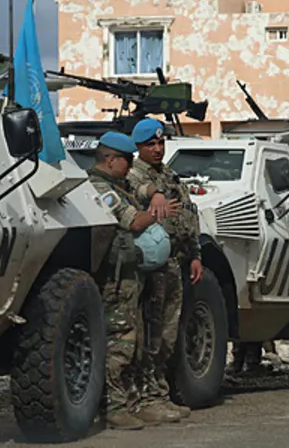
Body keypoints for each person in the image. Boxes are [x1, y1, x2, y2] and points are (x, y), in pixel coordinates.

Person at [87, 132, 180, 430]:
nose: (129, 166)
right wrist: (157, 213)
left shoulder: (120, 184)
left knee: (135, 341)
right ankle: (113, 407)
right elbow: (134, 221)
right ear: (111, 159)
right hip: (115, 281)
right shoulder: (100, 187)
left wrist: (155, 194)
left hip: (129, 276)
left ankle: (131, 401)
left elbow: (141, 188)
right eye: (126, 160)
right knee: (120, 343)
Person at [127, 118, 203, 420]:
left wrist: (195, 254)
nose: (158, 149)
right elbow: (140, 189)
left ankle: (159, 392)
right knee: (149, 334)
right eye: (151, 144)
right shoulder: (134, 174)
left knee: (168, 335)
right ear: (139, 147)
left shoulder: (170, 175)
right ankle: (145, 398)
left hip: (174, 263)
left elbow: (188, 216)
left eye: (161, 143)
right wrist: (154, 193)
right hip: (150, 266)